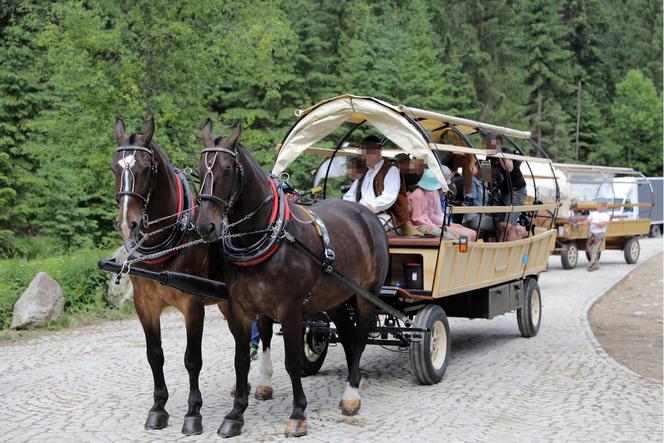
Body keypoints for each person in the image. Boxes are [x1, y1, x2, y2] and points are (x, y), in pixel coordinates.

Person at [343, 136, 420, 235]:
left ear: (378, 151)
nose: (364, 156)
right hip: (361, 212)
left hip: (385, 214)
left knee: (368, 231)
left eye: (367, 152)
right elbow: (350, 195)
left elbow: (389, 196)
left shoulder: (391, 169)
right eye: (362, 152)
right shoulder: (365, 171)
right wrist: (347, 207)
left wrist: (372, 206)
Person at [408, 167, 477, 241]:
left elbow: (436, 213)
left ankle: (463, 251)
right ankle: (459, 251)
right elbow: (417, 219)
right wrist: (437, 227)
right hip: (421, 227)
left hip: (429, 225)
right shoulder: (418, 195)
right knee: (460, 236)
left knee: (472, 234)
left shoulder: (430, 192)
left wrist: (448, 224)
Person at [580, 199, 610, 271]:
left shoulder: (606, 215)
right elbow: (587, 221)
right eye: (597, 205)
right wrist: (581, 223)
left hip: (599, 235)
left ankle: (591, 265)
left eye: (598, 205)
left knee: (595, 250)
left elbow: (603, 224)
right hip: (591, 234)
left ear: (603, 207)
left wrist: (593, 223)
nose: (597, 206)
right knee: (589, 249)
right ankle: (596, 265)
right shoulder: (593, 214)